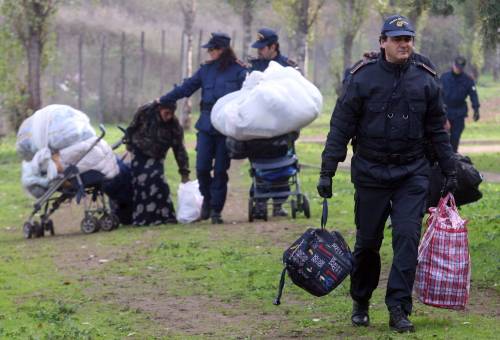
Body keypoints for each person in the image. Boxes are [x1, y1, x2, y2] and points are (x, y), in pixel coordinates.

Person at [316, 15, 457, 333]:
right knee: (367, 243)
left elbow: (437, 128)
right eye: (397, 39)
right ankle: (361, 301)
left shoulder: (425, 79)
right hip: (371, 172)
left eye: (408, 38)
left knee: (407, 239)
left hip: (412, 172)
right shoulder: (362, 78)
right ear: (382, 42)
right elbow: (341, 126)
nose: (404, 44)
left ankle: (398, 308)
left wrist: (449, 169)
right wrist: (328, 170)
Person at [159, 33, 247, 224]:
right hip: (206, 126)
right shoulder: (206, 70)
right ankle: (207, 199)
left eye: (212, 49)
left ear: (222, 50)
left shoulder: (239, 70)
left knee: (221, 170)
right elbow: (187, 87)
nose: (209, 52)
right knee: (202, 168)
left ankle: (216, 210)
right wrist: (165, 99)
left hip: (226, 127)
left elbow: (249, 94)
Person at [248, 28, 298, 218]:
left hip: (283, 127)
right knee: (261, 164)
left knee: (283, 164)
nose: (259, 51)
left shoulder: (288, 67)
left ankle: (279, 204)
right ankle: (260, 202)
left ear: (273, 47)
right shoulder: (253, 67)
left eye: (262, 47)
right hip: (260, 127)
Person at [125, 101, 190, 226]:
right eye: (166, 113)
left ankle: (165, 216)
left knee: (157, 179)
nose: (169, 117)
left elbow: (180, 150)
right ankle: (141, 219)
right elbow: (132, 127)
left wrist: (184, 172)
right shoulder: (145, 111)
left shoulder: (174, 126)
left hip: (157, 155)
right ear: (160, 109)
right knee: (140, 183)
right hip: (139, 150)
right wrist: (128, 143)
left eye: (171, 114)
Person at [441, 56, 480, 152]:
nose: (457, 69)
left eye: (460, 67)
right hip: (445, 112)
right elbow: (436, 94)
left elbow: (473, 95)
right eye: (456, 66)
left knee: (455, 137)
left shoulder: (468, 80)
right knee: (443, 138)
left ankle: (453, 157)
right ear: (453, 65)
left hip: (459, 112)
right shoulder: (444, 77)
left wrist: (476, 109)